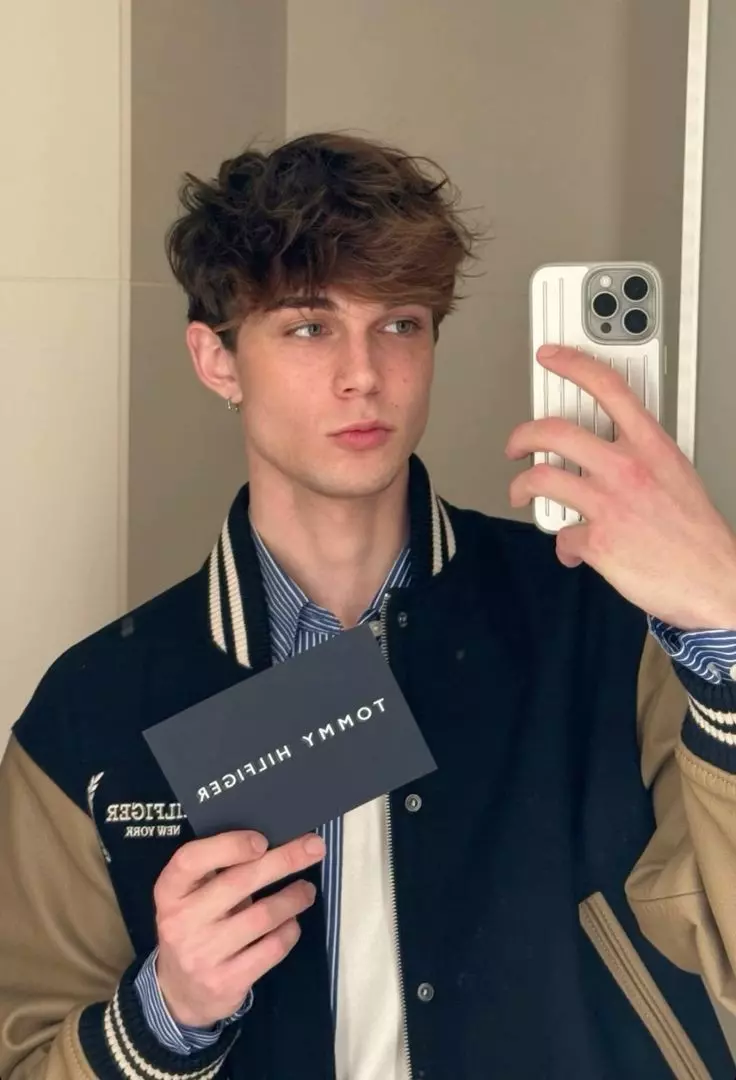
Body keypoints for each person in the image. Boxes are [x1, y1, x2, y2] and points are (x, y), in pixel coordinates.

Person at [2, 132, 736, 1080]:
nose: (364, 374)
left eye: (399, 324)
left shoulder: (604, 621)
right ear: (218, 359)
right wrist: (165, 1015)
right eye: (309, 328)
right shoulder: (93, 710)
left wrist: (724, 625)